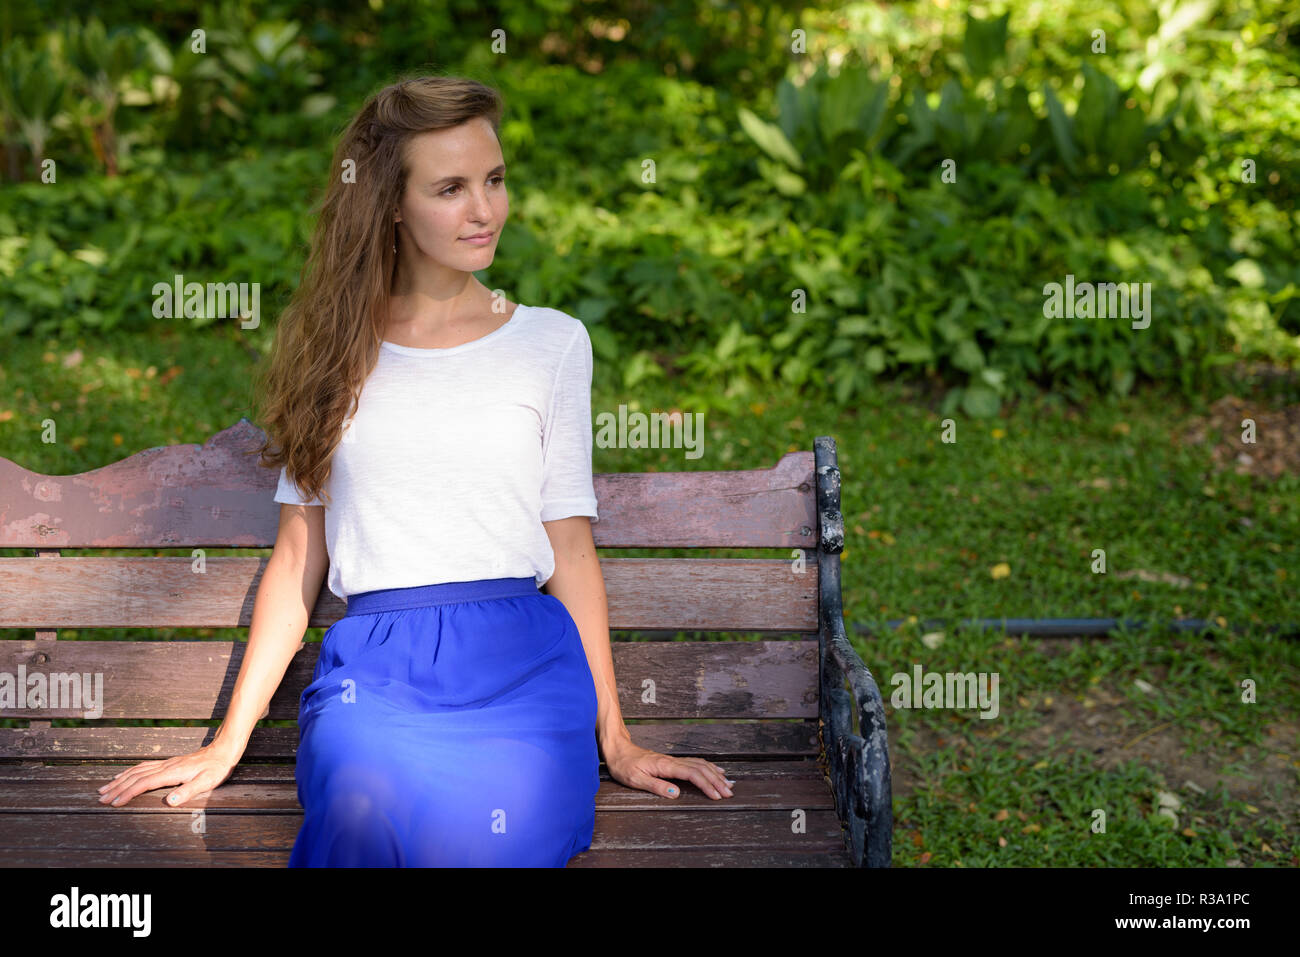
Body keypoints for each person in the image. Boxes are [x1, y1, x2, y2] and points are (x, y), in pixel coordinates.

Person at [93, 74, 735, 866]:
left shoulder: (552, 344)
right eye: (451, 187)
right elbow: (299, 561)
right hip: (377, 673)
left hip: (522, 671)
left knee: (483, 838)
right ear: (390, 204)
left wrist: (618, 735)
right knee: (362, 810)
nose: (484, 209)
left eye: (494, 180)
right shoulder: (331, 353)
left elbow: (568, 545)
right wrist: (227, 742)